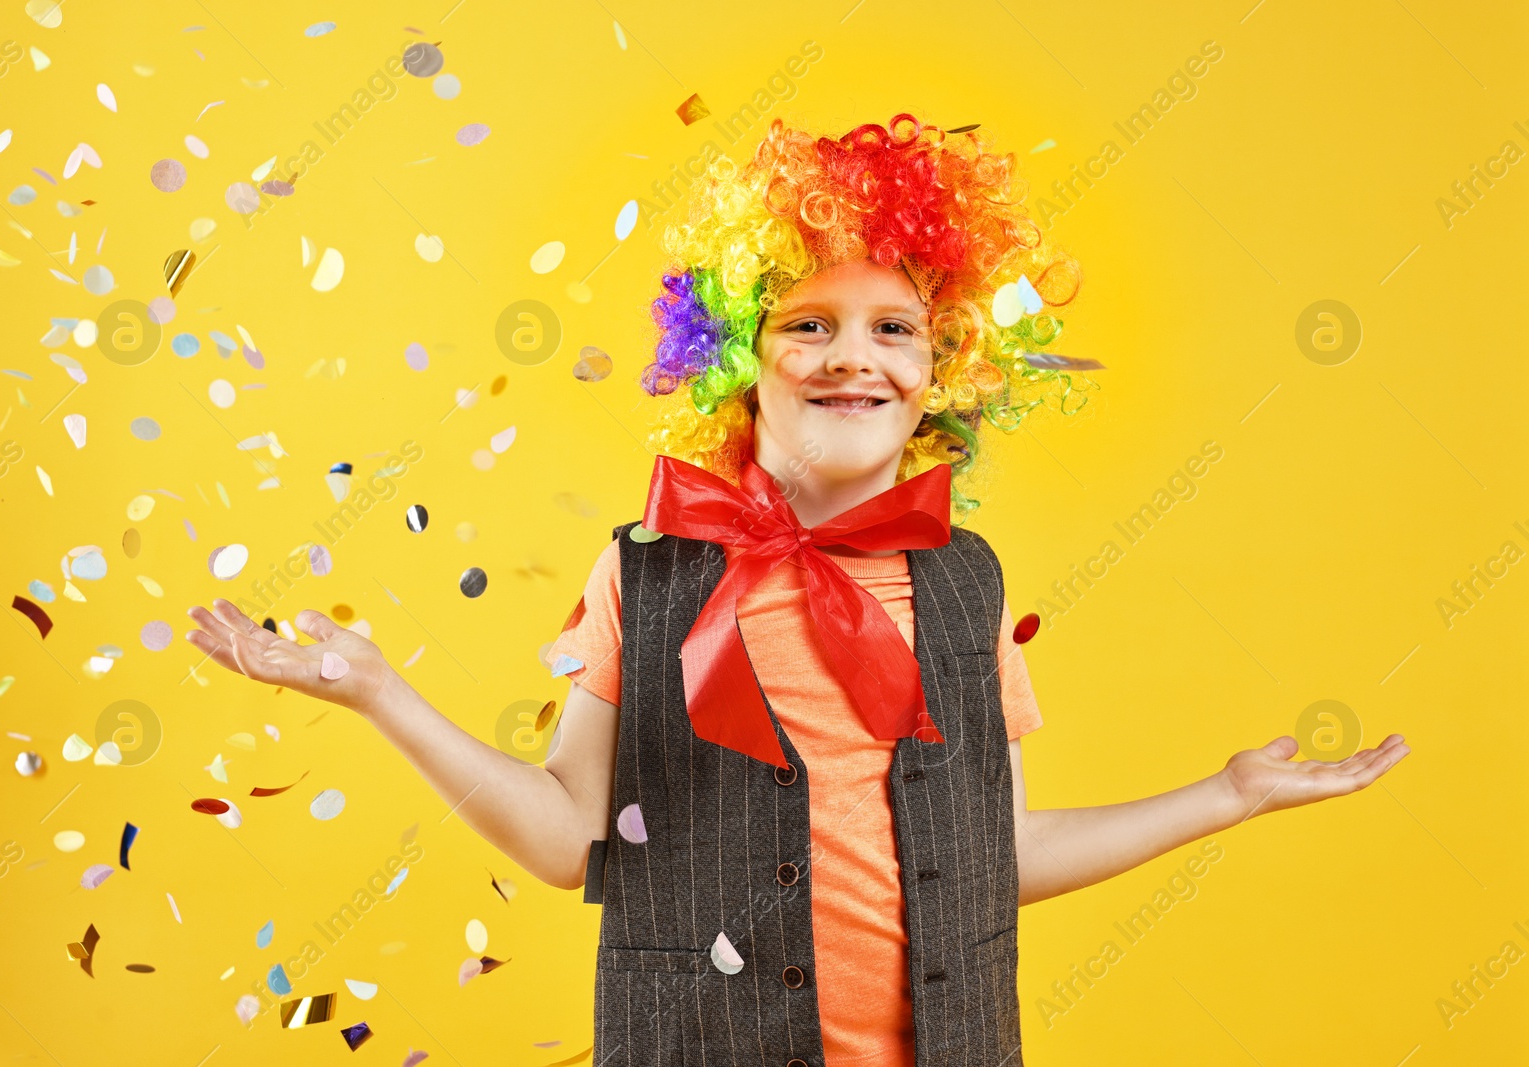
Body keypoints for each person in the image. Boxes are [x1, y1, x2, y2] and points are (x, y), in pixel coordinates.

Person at [186, 114, 1409, 1067]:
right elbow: (567, 840)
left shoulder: (966, 586)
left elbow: (1000, 854)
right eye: (808, 322)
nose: (852, 357)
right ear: (732, 353)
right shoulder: (647, 571)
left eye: (896, 329)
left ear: (945, 368)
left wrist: (1226, 795)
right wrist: (379, 693)